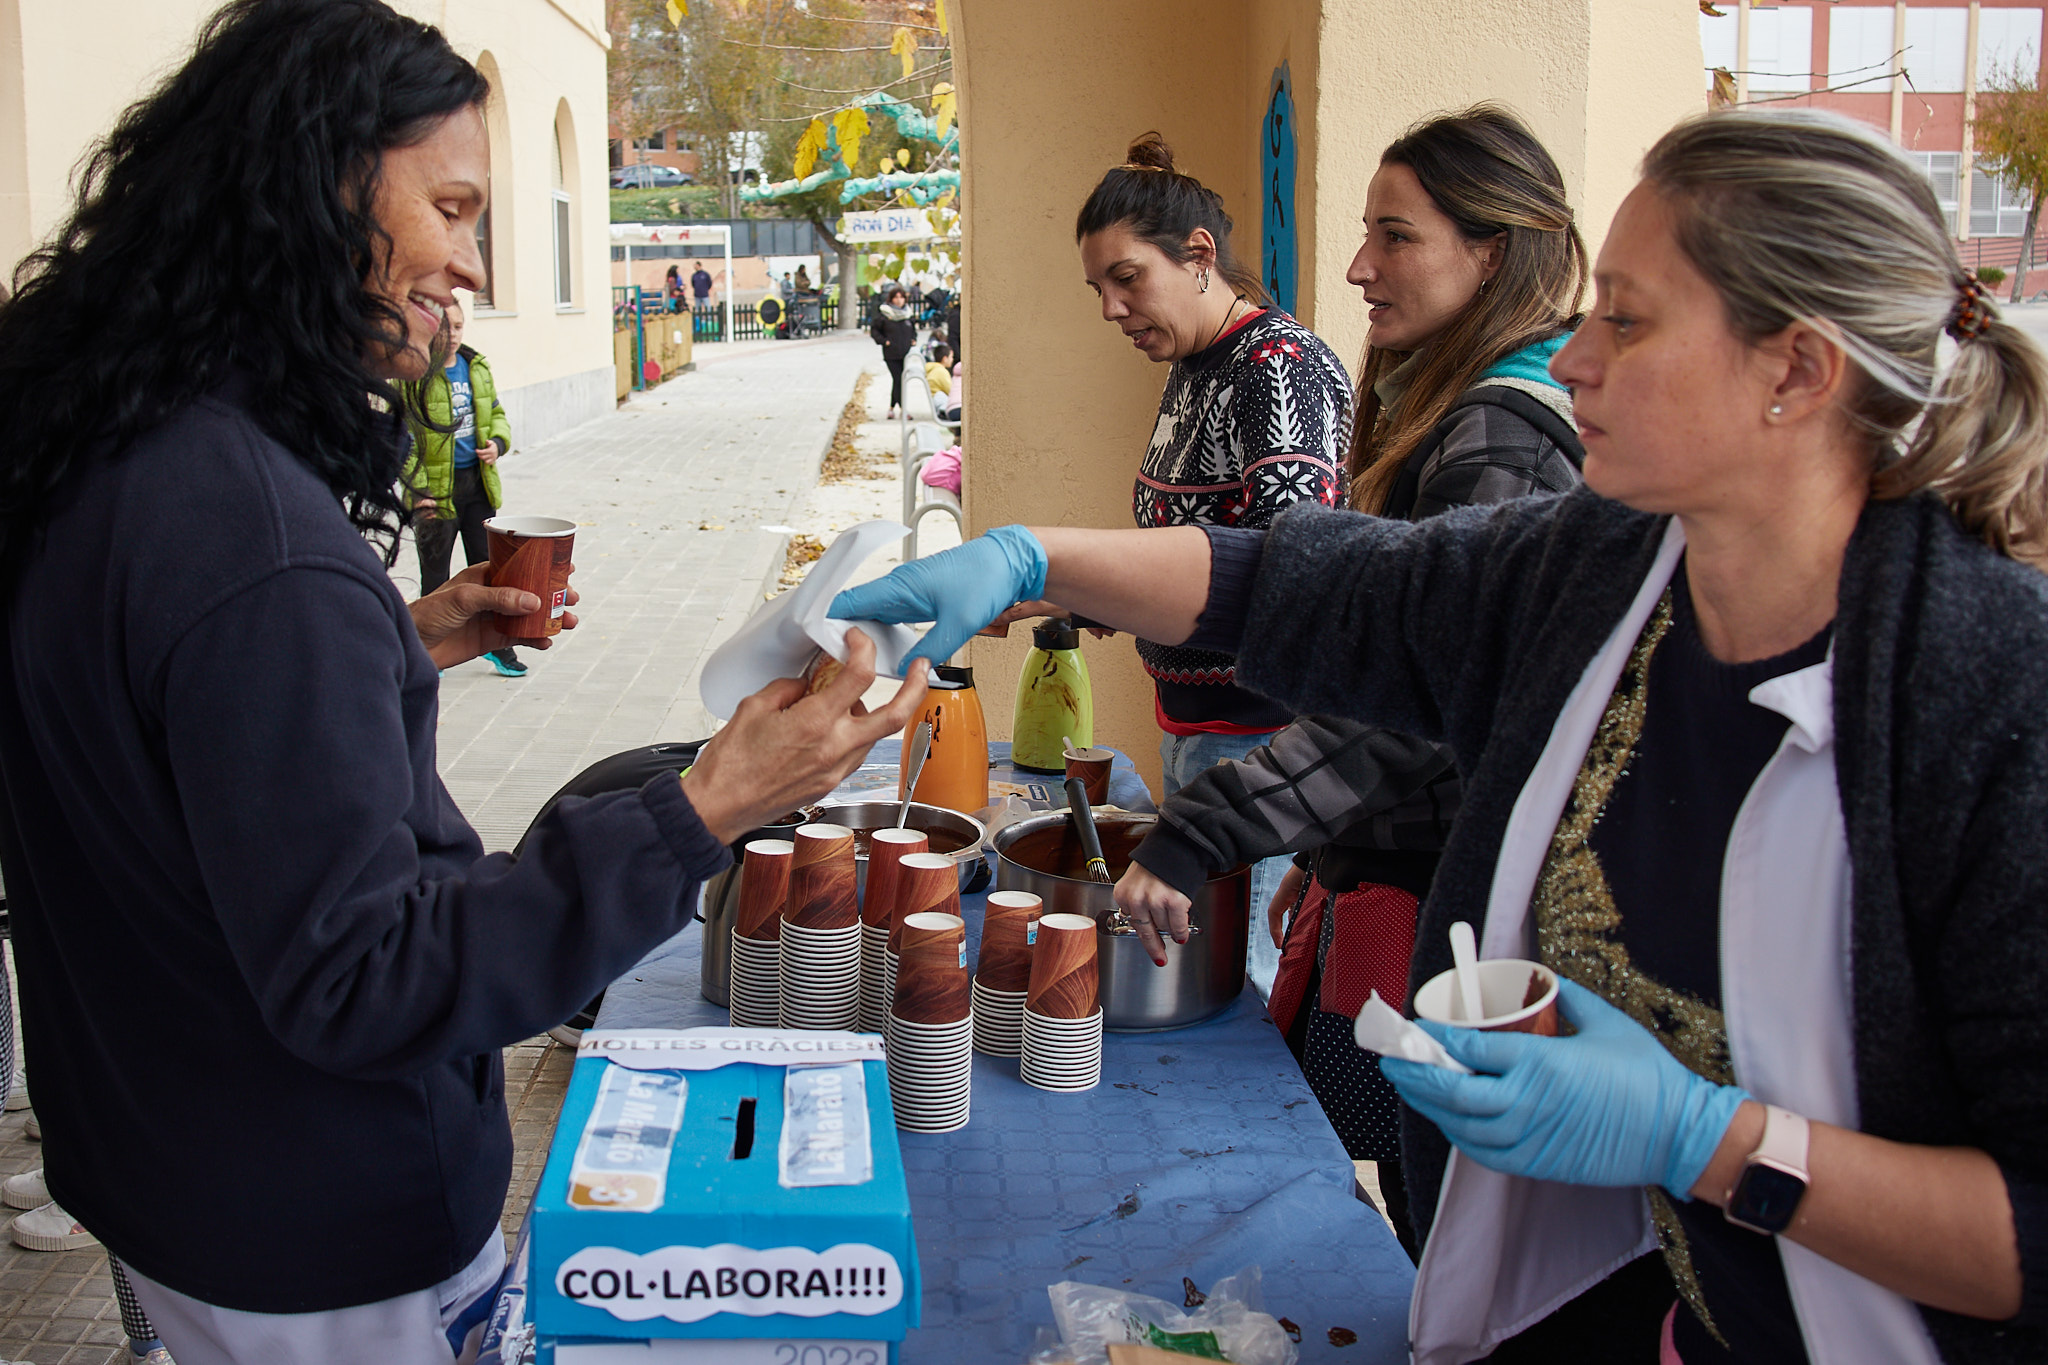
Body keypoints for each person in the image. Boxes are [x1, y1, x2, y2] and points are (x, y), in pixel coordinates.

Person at [835, 107, 2048, 1363]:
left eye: (1624, 319)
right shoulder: (1614, 569)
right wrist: (1039, 558)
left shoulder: (1988, 701)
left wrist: (1710, 1142)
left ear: (1793, 370)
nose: (1571, 358)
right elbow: (1331, 586)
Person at [0, 4, 928, 1361]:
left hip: (163, 1163)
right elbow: (365, 973)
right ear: (315, 185)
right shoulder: (257, 549)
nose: (478, 268)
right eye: (453, 208)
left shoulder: (116, 453)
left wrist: (381, 646)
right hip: (308, 1229)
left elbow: (153, 740)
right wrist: (704, 806)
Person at [1109, 107, 1588, 1254]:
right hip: (1395, 877)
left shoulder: (1499, 436)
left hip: (1452, 917)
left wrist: (1214, 826)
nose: (1359, 266)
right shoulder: (1450, 406)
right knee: (1405, 1190)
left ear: (1495, 250)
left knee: (1439, 1214)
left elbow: (1409, 690)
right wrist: (1328, 858)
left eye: (1395, 235)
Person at [1071, 131, 1353, 996]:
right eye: (1099, 290)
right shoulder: (1194, 365)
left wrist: (1064, 571)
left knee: (1246, 987)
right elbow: (1191, 554)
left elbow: (1285, 572)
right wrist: (1072, 599)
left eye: (1127, 279)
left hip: (1263, 744)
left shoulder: (1279, 366)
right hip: (1197, 731)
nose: (1113, 310)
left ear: (1198, 257)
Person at [404, 297, 523, 676]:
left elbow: (498, 413)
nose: (451, 334)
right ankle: (427, 653)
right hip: (435, 492)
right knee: (436, 575)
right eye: (444, 325)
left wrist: (497, 444)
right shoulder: (415, 371)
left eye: (457, 326)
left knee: (488, 569)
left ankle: (495, 645)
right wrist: (418, 488)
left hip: (478, 486)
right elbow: (402, 437)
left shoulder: (477, 367)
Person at [870, 283, 917, 419]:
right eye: (896, 297)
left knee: (899, 380)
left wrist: (913, 339)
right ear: (891, 299)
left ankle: (891, 408)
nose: (899, 300)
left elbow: (912, 329)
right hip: (891, 353)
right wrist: (885, 341)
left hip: (905, 353)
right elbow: (875, 330)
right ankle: (903, 409)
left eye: (901, 297)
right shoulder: (885, 314)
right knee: (898, 379)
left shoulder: (908, 314)